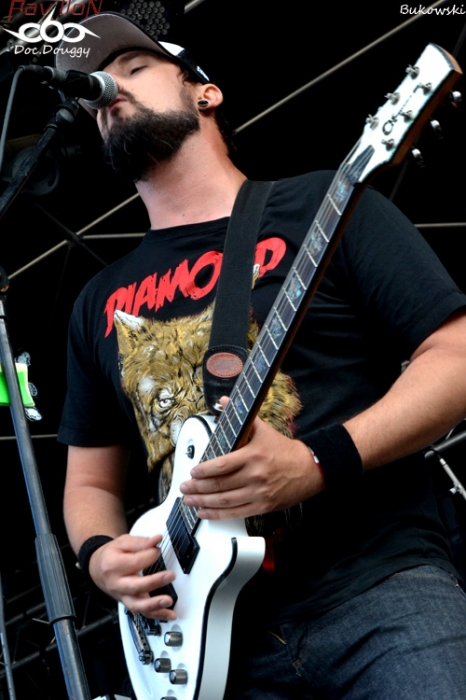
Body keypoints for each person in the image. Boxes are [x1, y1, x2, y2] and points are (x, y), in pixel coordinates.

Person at [57, 11, 466, 700]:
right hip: (211, 649)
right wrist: (100, 557)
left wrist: (317, 461)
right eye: (96, 89)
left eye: (133, 68)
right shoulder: (97, 300)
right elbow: (89, 486)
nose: (109, 92)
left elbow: (455, 354)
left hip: (379, 591)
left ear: (205, 92)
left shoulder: (326, 204)